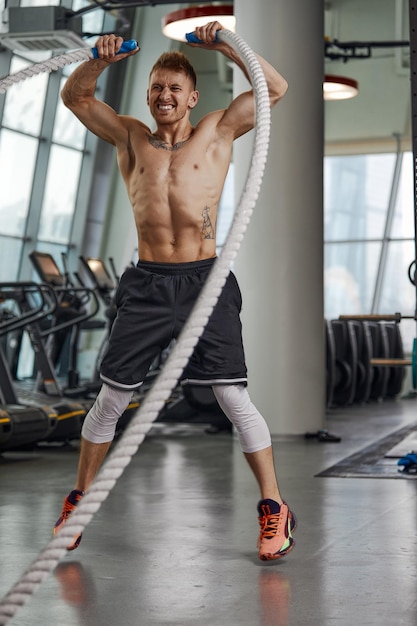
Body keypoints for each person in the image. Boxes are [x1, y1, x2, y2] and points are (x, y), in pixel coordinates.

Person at [53, 21, 295, 561]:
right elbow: (75, 96)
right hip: (147, 284)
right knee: (112, 398)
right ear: (149, 95)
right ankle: (79, 502)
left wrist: (228, 45)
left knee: (231, 397)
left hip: (206, 280)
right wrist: (101, 58)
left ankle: (275, 507)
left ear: (192, 96)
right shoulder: (130, 137)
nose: (165, 95)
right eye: (157, 87)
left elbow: (274, 89)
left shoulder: (217, 132)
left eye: (174, 88)